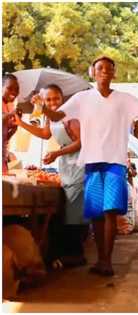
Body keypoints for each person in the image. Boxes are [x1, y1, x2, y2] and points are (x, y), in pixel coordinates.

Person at [41, 56, 138, 276]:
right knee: (97, 214)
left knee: (109, 212)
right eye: (100, 68)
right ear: (93, 72)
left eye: (109, 68)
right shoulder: (82, 99)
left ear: (114, 73)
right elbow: (57, 115)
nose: (105, 71)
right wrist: (43, 108)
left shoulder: (125, 99)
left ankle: (107, 261)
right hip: (91, 163)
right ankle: (100, 260)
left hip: (115, 163)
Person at [14, 84, 89, 267]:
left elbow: (81, 142)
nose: (52, 102)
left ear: (62, 98)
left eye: (55, 98)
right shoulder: (51, 117)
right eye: (48, 100)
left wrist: (57, 154)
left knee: (74, 211)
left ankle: (77, 254)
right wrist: (20, 123)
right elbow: (46, 134)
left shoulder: (69, 116)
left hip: (78, 165)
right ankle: (67, 253)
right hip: (65, 166)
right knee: (65, 209)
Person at [2, 74, 20, 173]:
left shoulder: (11, 105)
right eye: (10, 88)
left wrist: (13, 129)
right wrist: (10, 114)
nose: (14, 92)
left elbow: (4, 139)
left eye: (17, 89)